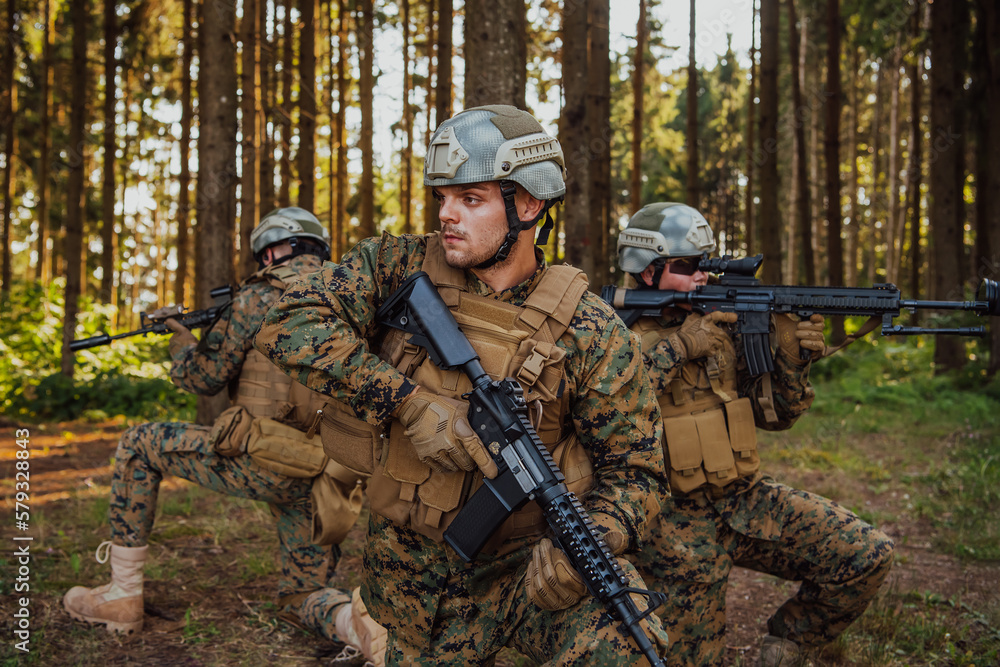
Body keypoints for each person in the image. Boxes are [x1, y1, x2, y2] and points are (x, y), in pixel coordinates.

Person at [254, 105, 670, 666]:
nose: (447, 214)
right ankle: (344, 620)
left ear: (528, 204)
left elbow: (637, 471)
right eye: (443, 198)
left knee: (629, 641)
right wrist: (405, 401)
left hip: (523, 583)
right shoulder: (396, 268)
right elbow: (286, 320)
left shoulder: (592, 331)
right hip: (405, 594)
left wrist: (598, 536)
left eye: (470, 199)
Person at [63, 207, 387, 666]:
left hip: (265, 458)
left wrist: (179, 341)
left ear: (275, 248)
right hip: (323, 472)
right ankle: (356, 625)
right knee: (302, 595)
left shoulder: (259, 295)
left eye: (264, 254)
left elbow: (203, 377)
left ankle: (120, 593)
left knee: (139, 444)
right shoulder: (353, 294)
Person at [617, 202, 895, 666]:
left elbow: (777, 416)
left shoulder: (724, 328)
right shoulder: (612, 334)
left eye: (706, 265)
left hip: (744, 500)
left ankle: (787, 646)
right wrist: (680, 347)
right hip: (669, 523)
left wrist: (792, 361)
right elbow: (610, 408)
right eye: (688, 267)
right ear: (647, 271)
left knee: (866, 554)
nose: (703, 276)